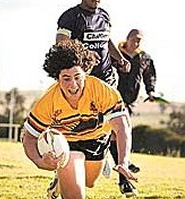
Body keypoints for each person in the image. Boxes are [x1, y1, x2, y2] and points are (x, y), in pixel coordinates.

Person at [22, 39, 137, 199]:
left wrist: (123, 161)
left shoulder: (101, 90)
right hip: (67, 144)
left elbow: (121, 126)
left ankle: (61, 181)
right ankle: (64, 175)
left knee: (89, 182)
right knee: (74, 187)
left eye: (77, 77)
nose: (73, 84)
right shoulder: (48, 101)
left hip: (97, 141)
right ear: (57, 77)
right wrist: (40, 162)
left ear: (86, 73)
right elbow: (29, 138)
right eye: (66, 78)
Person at [55, 0, 137, 197]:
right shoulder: (70, 16)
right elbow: (60, 42)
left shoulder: (104, 15)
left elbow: (106, 41)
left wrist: (119, 59)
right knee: (82, 128)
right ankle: (64, 173)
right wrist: (84, 53)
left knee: (117, 125)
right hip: (84, 84)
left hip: (107, 81)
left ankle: (123, 176)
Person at [116, 29, 157, 116]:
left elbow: (149, 75)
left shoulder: (144, 58)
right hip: (114, 97)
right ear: (127, 38)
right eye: (133, 40)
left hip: (132, 99)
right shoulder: (115, 54)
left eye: (138, 41)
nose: (135, 43)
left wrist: (151, 91)